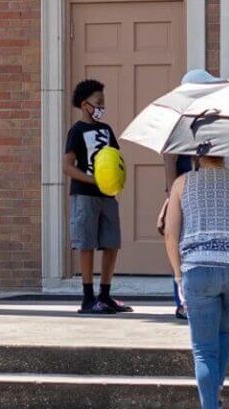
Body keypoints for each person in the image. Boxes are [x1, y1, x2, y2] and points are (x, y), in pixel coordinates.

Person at [162, 151, 229, 409]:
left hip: (197, 270)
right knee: (222, 330)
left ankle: (211, 404)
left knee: (203, 349)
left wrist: (178, 276)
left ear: (196, 154)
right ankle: (216, 393)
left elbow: (169, 236)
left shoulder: (182, 183)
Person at [160, 68, 223, 321]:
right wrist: (171, 192)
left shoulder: (211, 118)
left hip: (207, 186)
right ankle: (183, 301)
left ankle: (203, 297)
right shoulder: (179, 119)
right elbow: (169, 156)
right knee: (182, 244)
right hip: (185, 187)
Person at [65, 79, 130, 314]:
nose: (102, 106)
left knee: (111, 243)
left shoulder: (107, 130)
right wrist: (93, 180)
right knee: (87, 244)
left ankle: (105, 295)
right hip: (84, 195)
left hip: (108, 195)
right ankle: (88, 297)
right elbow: (67, 166)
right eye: (98, 102)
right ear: (85, 105)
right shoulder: (77, 131)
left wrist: (116, 180)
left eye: (103, 102)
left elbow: (115, 160)